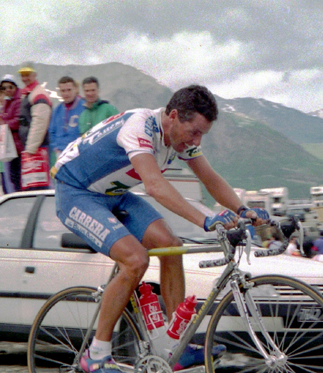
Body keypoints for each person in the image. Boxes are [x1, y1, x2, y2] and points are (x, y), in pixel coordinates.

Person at [51, 85, 270, 373]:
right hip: (76, 192)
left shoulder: (181, 138)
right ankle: (96, 354)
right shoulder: (140, 126)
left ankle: (172, 345)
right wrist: (204, 219)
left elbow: (210, 179)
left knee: (171, 245)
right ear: (175, 116)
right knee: (135, 260)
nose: (196, 140)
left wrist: (243, 210)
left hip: (113, 195)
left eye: (202, 134)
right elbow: (154, 186)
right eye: (194, 132)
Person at [18, 62, 52, 190]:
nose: (24, 78)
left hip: (38, 149)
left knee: (39, 187)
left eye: (27, 75)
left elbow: (40, 123)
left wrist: (30, 149)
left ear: (34, 75)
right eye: (22, 75)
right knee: (33, 187)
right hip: (33, 148)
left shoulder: (38, 94)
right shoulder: (28, 93)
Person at [49, 76, 86, 165]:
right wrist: (56, 149)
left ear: (75, 89)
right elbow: (51, 132)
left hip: (77, 154)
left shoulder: (84, 107)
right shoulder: (57, 110)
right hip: (59, 155)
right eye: (63, 91)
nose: (66, 93)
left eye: (69, 90)